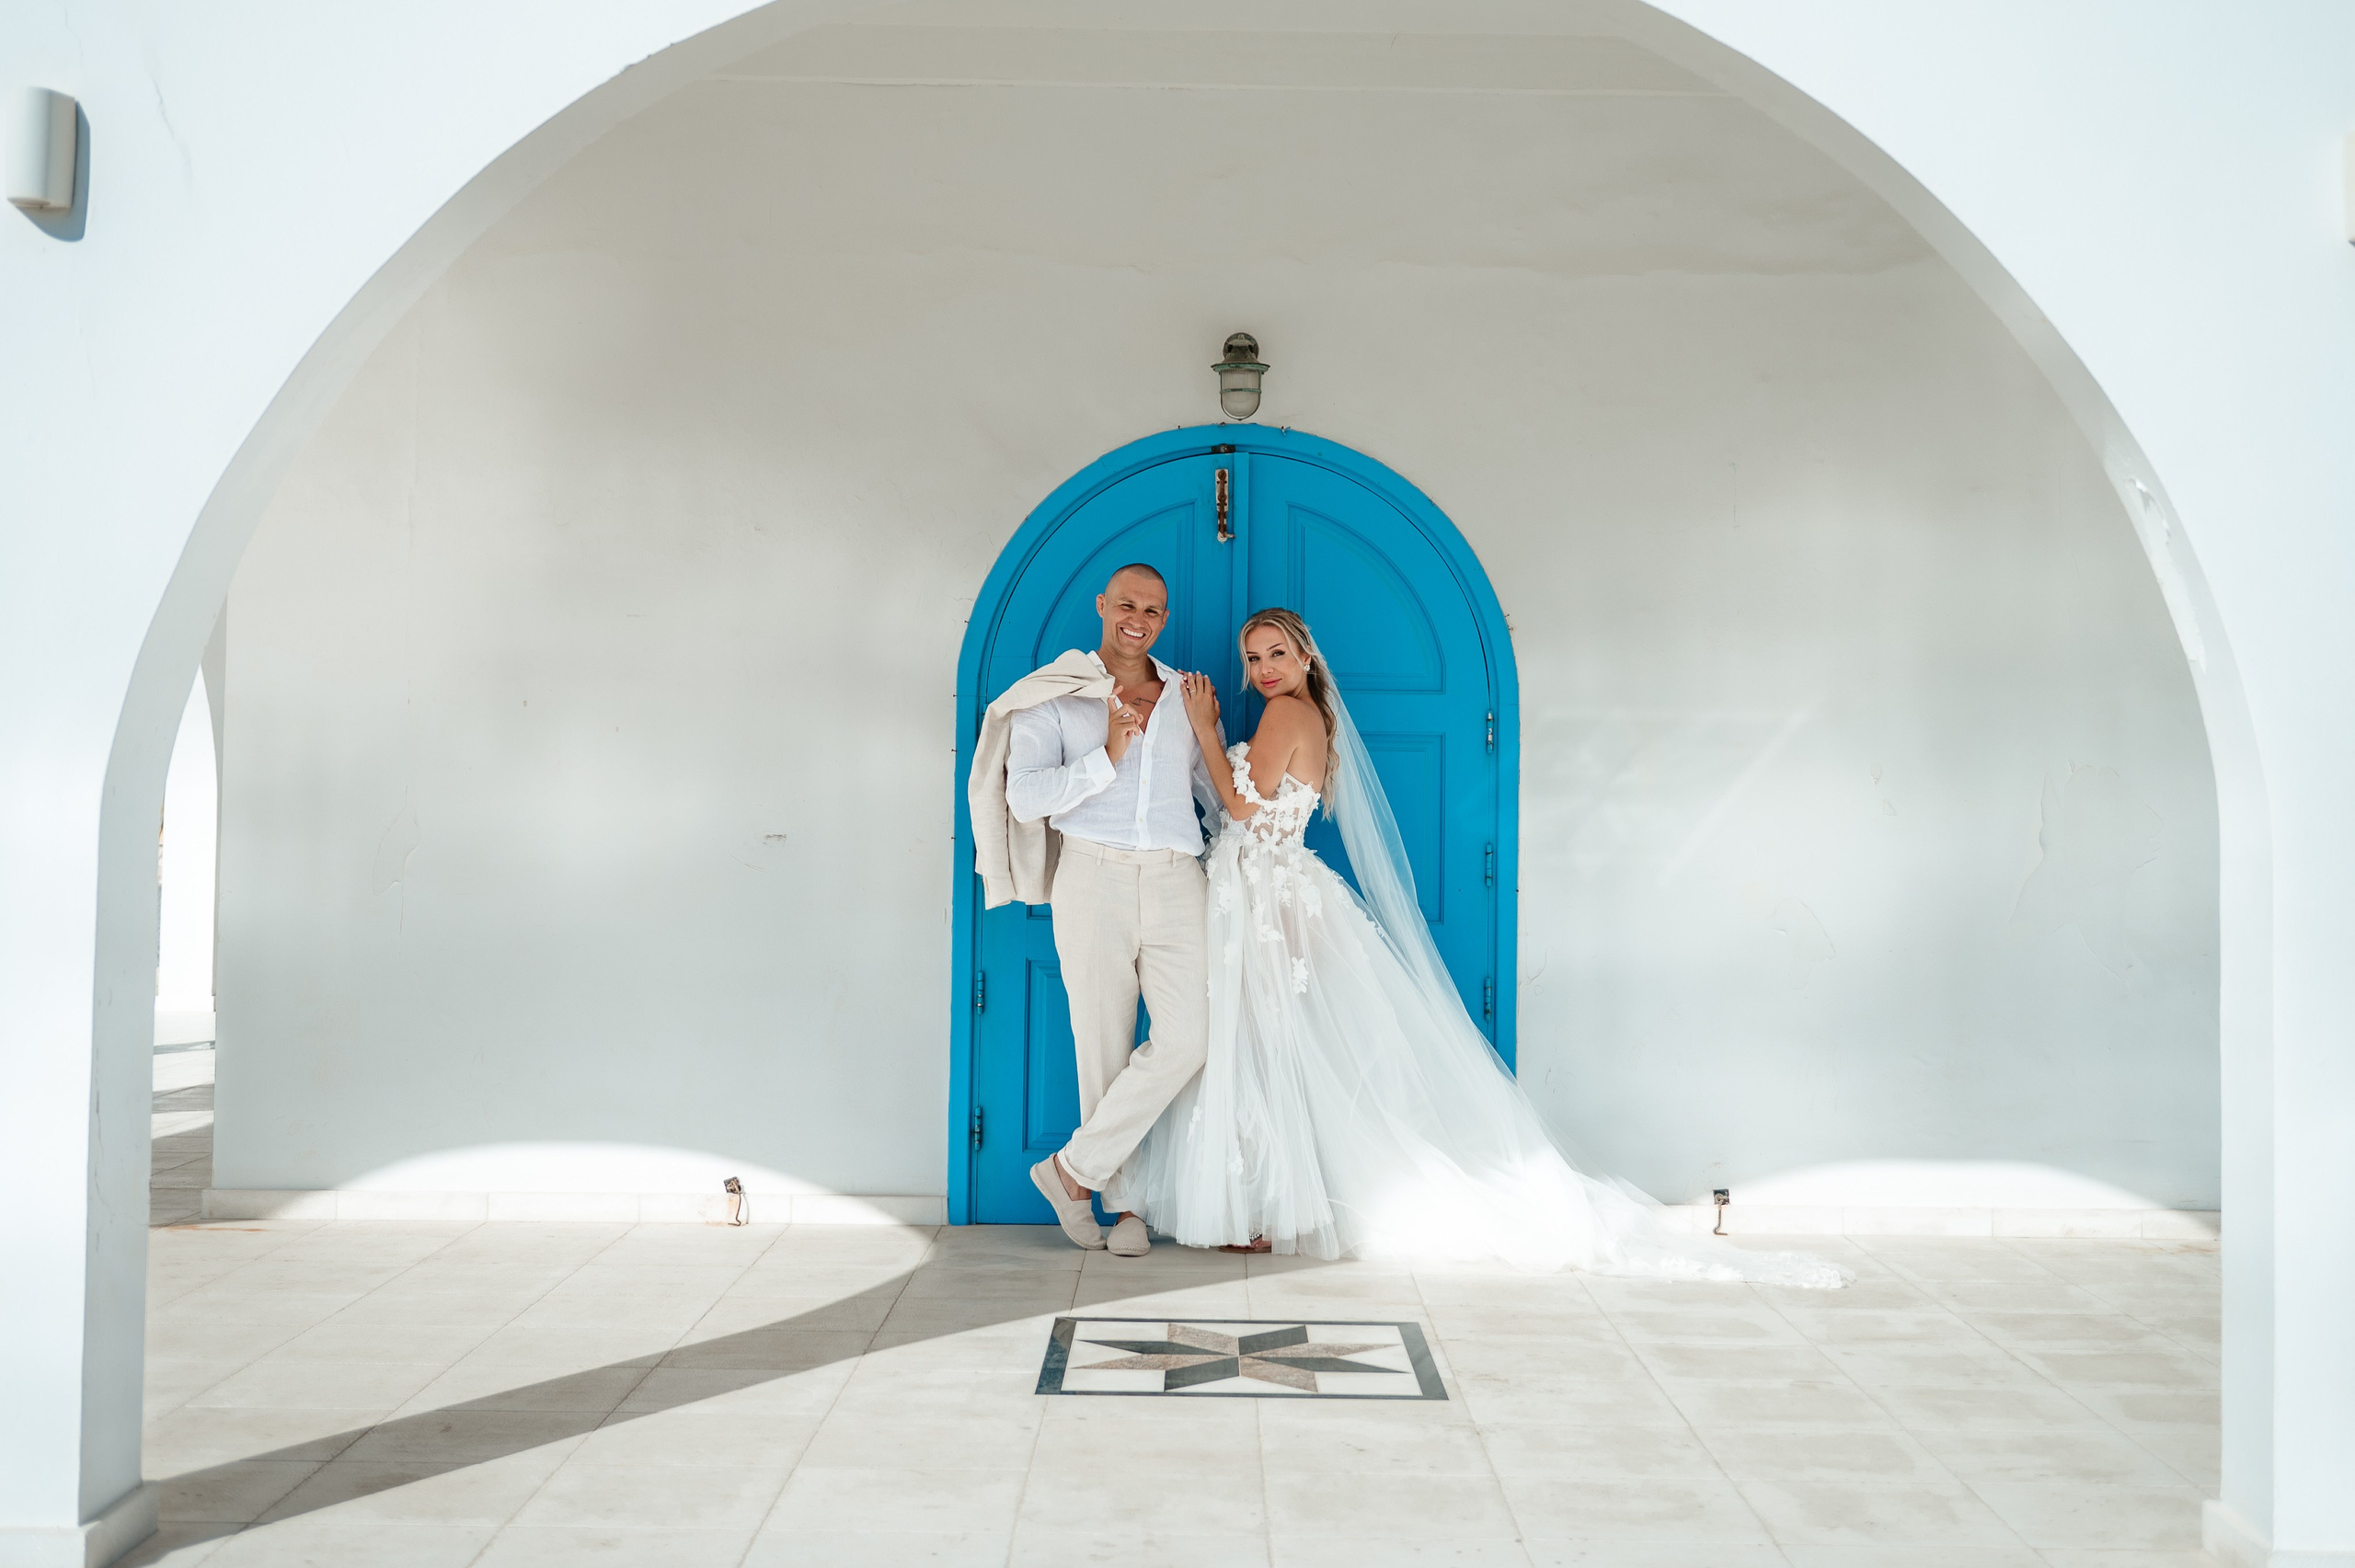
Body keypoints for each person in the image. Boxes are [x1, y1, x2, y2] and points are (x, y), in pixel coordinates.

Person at [1118, 607, 1845, 1287]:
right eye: (1253, 657)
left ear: (1306, 656)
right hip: (1268, 894)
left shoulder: (1286, 713)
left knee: (1274, 1044)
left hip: (1268, 901)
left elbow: (1244, 807)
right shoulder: (1307, 715)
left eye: (1278, 652)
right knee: (1280, 1046)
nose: (1265, 667)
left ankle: (1267, 1209)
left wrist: (1206, 729)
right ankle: (1265, 1207)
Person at [966, 563, 1219, 1258]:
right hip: (1093, 876)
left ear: (1165, 619)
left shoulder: (1184, 695)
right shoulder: (1057, 696)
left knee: (1188, 1040)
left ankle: (1071, 1172)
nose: (1140, 618)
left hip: (1176, 878)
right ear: (1102, 605)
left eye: (1155, 609)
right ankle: (1125, 1206)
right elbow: (1024, 797)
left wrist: (1217, 735)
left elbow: (1211, 792)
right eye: (1128, 604)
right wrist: (1108, 754)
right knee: (1101, 1043)